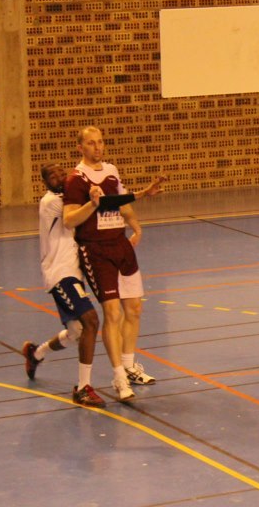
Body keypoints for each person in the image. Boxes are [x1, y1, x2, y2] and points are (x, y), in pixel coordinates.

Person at [63, 126, 165, 402]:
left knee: (134, 308)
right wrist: (92, 204)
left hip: (120, 245)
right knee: (112, 313)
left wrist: (136, 226)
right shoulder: (75, 179)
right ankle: (118, 377)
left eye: (100, 142)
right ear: (80, 147)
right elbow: (69, 220)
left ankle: (129, 366)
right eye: (91, 143)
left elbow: (121, 203)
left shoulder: (111, 171)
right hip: (96, 250)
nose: (98, 147)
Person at [23, 163, 105, 408]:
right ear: (45, 182)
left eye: (62, 172)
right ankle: (83, 389)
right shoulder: (50, 202)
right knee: (91, 321)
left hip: (73, 273)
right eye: (52, 175)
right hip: (60, 273)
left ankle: (35, 353)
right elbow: (74, 218)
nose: (59, 177)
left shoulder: (69, 197)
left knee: (76, 332)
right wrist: (94, 199)